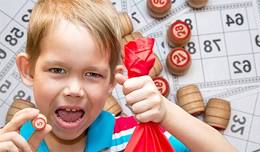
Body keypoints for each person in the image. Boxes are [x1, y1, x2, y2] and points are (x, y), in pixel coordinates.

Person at [0, 0, 236, 151]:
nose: (74, 89)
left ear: (113, 81)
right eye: (57, 70)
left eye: (92, 74)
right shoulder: (13, 146)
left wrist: (166, 112)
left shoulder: (133, 136)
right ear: (28, 69)